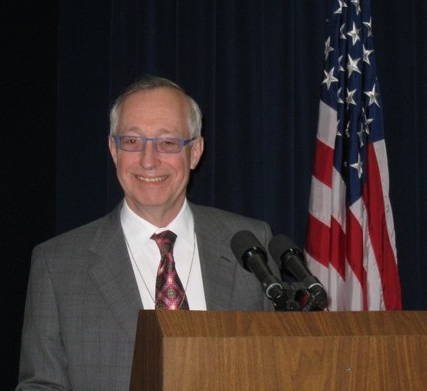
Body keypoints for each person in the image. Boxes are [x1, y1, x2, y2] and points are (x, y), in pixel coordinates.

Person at [16, 76, 279, 390]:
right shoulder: (56, 264)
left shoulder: (250, 245)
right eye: (132, 141)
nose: (148, 161)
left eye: (167, 143)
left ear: (195, 152)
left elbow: (278, 369)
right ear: (113, 150)